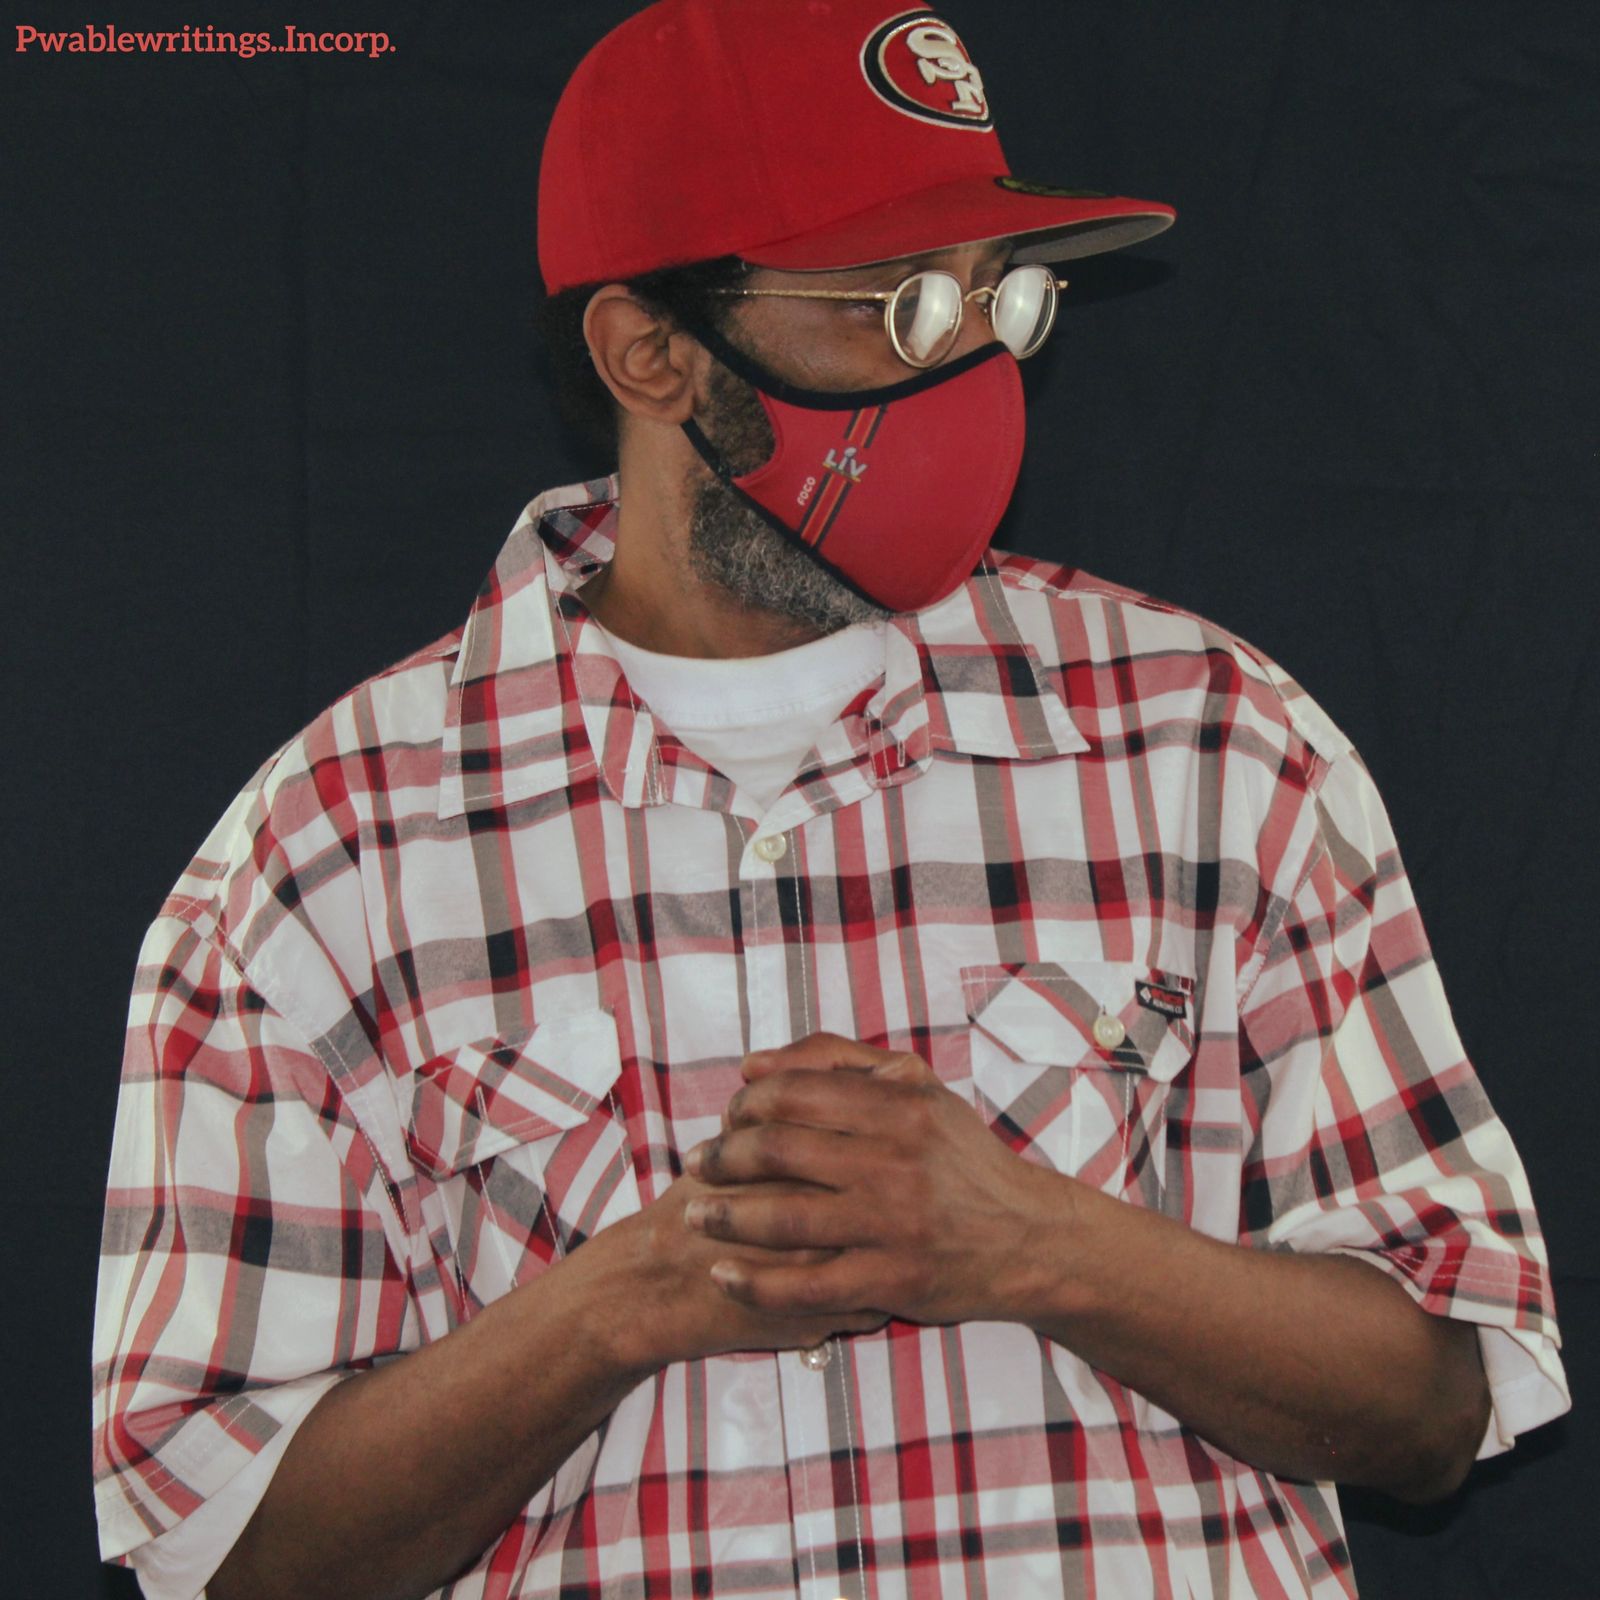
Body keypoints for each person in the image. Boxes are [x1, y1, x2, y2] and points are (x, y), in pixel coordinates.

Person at [92, 2, 1569, 1597]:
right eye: (902, 305)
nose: (973, 368)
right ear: (650, 351)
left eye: (1005, 298)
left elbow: (1439, 1396)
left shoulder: (1217, 746)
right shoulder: (327, 855)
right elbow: (226, 1551)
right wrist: (629, 1301)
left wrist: (1034, 1243)